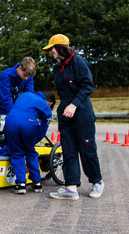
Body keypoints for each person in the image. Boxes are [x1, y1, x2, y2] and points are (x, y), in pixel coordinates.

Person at [42, 34, 104, 200]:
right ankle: (71, 187)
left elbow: (87, 86)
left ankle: (97, 181)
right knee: (68, 150)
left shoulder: (78, 62)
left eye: (52, 49)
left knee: (87, 148)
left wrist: (74, 104)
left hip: (81, 112)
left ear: (61, 47)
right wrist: (63, 108)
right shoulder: (58, 68)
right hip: (65, 113)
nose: (51, 52)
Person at [5, 91, 56, 194]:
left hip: (11, 121)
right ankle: (37, 183)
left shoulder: (25, 94)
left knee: (16, 152)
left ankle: (21, 184)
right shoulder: (45, 106)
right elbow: (43, 129)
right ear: (49, 103)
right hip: (29, 123)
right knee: (30, 152)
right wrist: (34, 141)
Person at [0, 57, 36, 156]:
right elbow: (6, 98)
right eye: (25, 75)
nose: (26, 78)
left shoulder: (28, 76)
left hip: (12, 107)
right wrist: (14, 116)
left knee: (11, 136)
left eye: (29, 76)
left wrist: (29, 113)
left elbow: (29, 95)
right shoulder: (6, 75)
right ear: (19, 68)